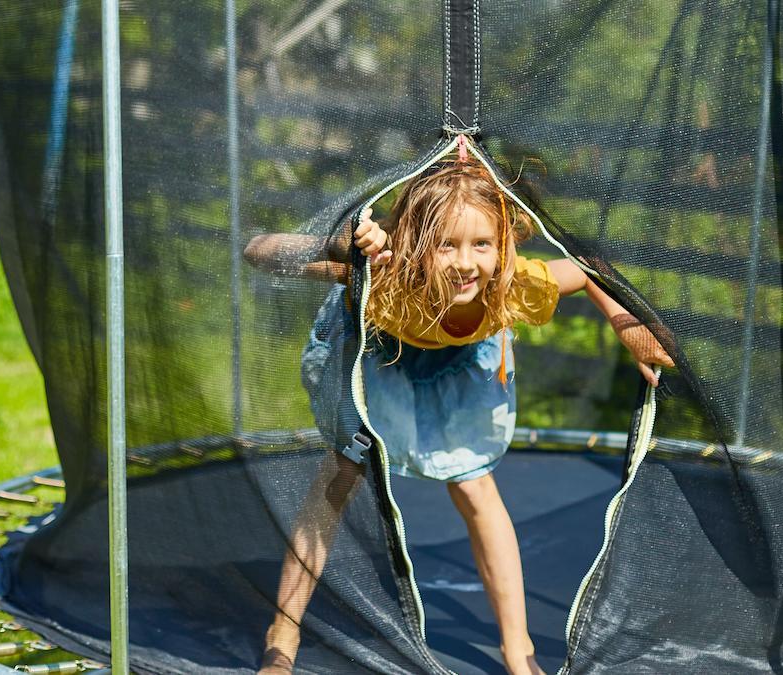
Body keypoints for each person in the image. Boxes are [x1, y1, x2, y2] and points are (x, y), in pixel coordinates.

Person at [244, 136, 674, 675]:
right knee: (340, 475)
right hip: (380, 359)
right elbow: (259, 250)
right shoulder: (387, 274)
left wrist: (624, 321)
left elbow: (586, 268)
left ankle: (518, 652)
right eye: (446, 245)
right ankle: (282, 630)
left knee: (475, 487)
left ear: (502, 245)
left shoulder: (512, 286)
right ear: (415, 244)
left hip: (459, 367)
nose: (465, 264)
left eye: (481, 245)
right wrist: (342, 247)